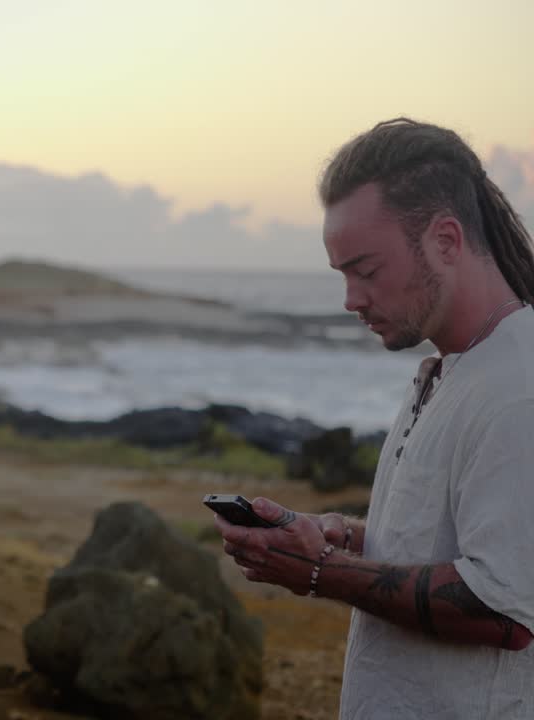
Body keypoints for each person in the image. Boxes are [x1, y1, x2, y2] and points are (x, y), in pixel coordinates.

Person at [213, 117, 534, 719]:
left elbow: (506, 611)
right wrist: (343, 536)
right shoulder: (452, 368)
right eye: (343, 275)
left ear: (445, 240)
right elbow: (455, 544)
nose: (351, 300)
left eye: (366, 270)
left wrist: (319, 573)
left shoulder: (519, 388)